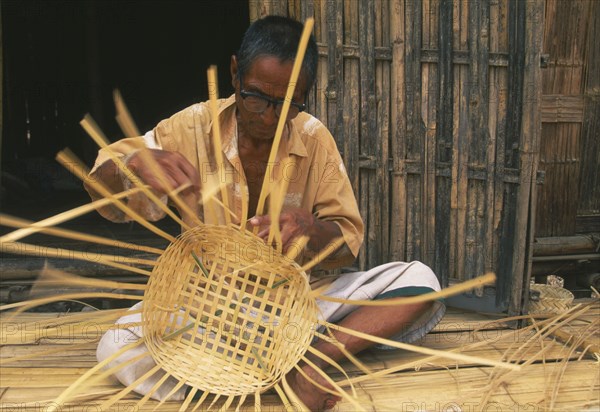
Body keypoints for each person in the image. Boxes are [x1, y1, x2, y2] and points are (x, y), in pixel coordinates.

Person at [87, 15, 445, 411]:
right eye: (256, 97)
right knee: (118, 348)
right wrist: (135, 164)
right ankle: (267, 372)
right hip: (206, 310)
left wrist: (310, 228)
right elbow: (103, 186)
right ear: (236, 73)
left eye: (288, 104)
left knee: (421, 280)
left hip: (298, 306)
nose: (270, 117)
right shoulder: (191, 127)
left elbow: (347, 244)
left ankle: (311, 363)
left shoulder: (314, 140)